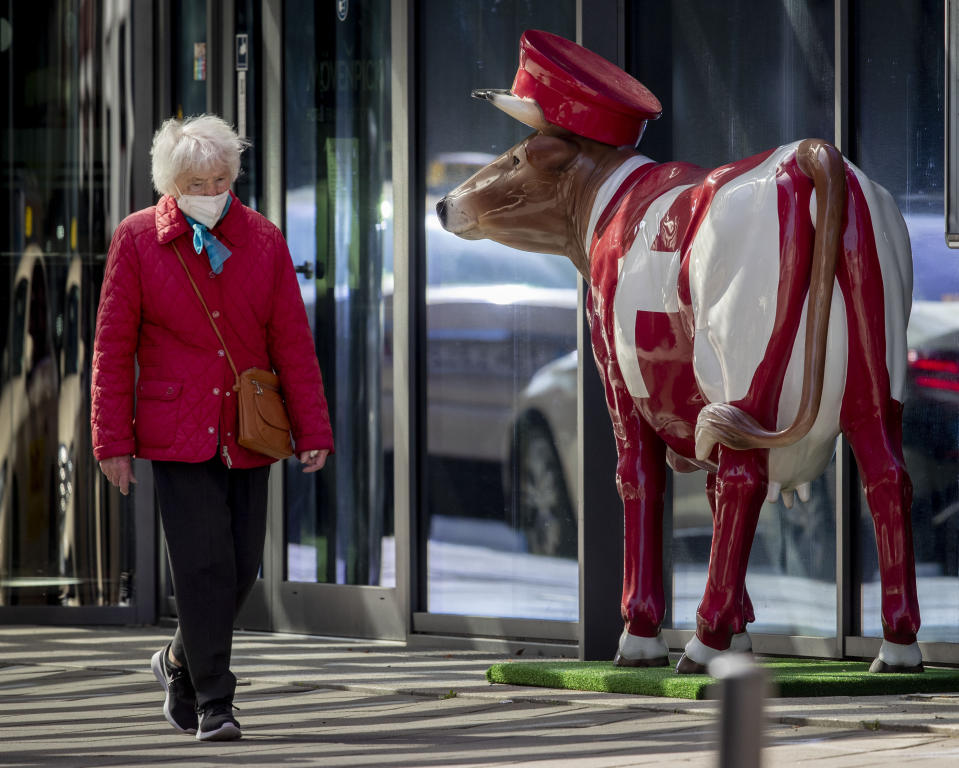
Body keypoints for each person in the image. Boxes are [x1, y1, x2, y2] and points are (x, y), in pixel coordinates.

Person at [91, 114, 333, 741]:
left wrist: (313, 429)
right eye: (197, 180)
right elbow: (112, 349)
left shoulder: (264, 238)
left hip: (248, 428)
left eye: (221, 178)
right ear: (172, 184)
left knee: (241, 568)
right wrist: (111, 441)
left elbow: (292, 342)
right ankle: (214, 704)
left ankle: (175, 661)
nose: (211, 188)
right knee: (201, 567)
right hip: (177, 431)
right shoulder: (138, 239)